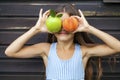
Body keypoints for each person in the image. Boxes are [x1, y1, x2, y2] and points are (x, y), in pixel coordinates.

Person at [5, 4, 120, 80]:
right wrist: (36, 29)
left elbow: (117, 47)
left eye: (68, 23)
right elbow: (10, 52)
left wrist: (89, 28)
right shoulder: (46, 49)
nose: (63, 28)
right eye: (59, 24)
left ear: (76, 26)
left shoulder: (84, 51)